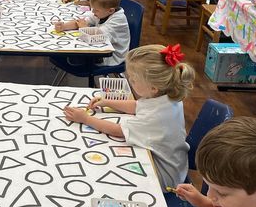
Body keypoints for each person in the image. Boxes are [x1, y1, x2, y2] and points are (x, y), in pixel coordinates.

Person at [64, 43, 195, 189]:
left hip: (163, 177)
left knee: (102, 169)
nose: (130, 81)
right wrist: (107, 101)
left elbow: (118, 131)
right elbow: (136, 106)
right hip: (172, 164)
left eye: (133, 79)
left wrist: (85, 119)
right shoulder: (166, 96)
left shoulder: (156, 116)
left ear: (153, 88)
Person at [53, 0, 130, 68]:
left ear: (111, 10)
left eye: (96, 10)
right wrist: (64, 26)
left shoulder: (118, 21)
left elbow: (96, 38)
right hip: (100, 47)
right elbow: (83, 21)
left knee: (71, 57)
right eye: (92, 8)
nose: (93, 12)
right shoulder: (102, 13)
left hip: (111, 57)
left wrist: (84, 28)